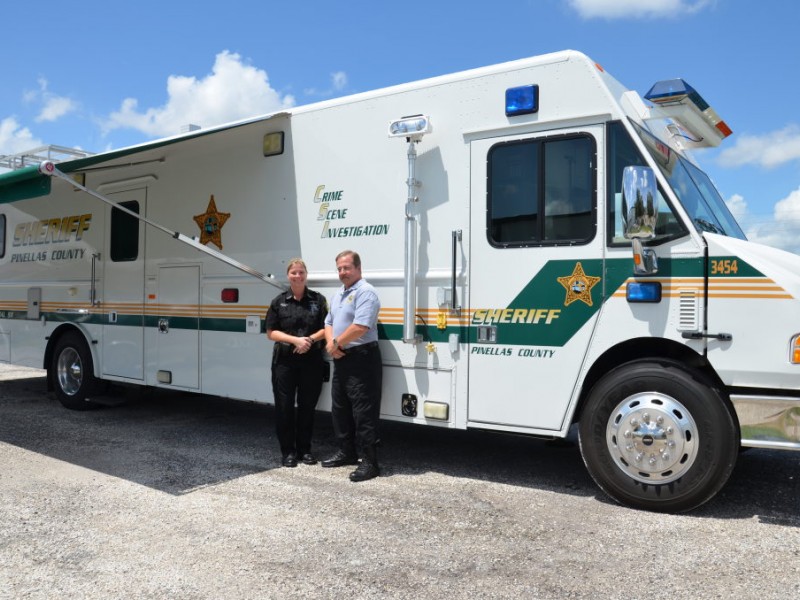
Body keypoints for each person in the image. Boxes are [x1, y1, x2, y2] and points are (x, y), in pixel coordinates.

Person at [321, 250, 383, 482]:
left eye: (346, 267)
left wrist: (335, 343)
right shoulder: (340, 293)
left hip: (362, 358)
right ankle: (347, 452)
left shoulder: (366, 292)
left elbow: (361, 326)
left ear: (358, 268)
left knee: (363, 412)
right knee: (341, 408)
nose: (342, 272)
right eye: (339, 268)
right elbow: (328, 321)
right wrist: (331, 344)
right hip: (341, 357)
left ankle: (370, 463)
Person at [265, 258, 327, 467]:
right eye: (294, 273)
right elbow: (271, 332)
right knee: (284, 407)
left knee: (307, 407)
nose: (297, 276)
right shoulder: (278, 301)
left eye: (301, 272)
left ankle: (305, 450)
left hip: (311, 361)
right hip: (284, 363)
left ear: (306, 275)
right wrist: (296, 341)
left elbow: (326, 328)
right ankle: (288, 452)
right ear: (288, 276)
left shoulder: (318, 300)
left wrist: (308, 340)